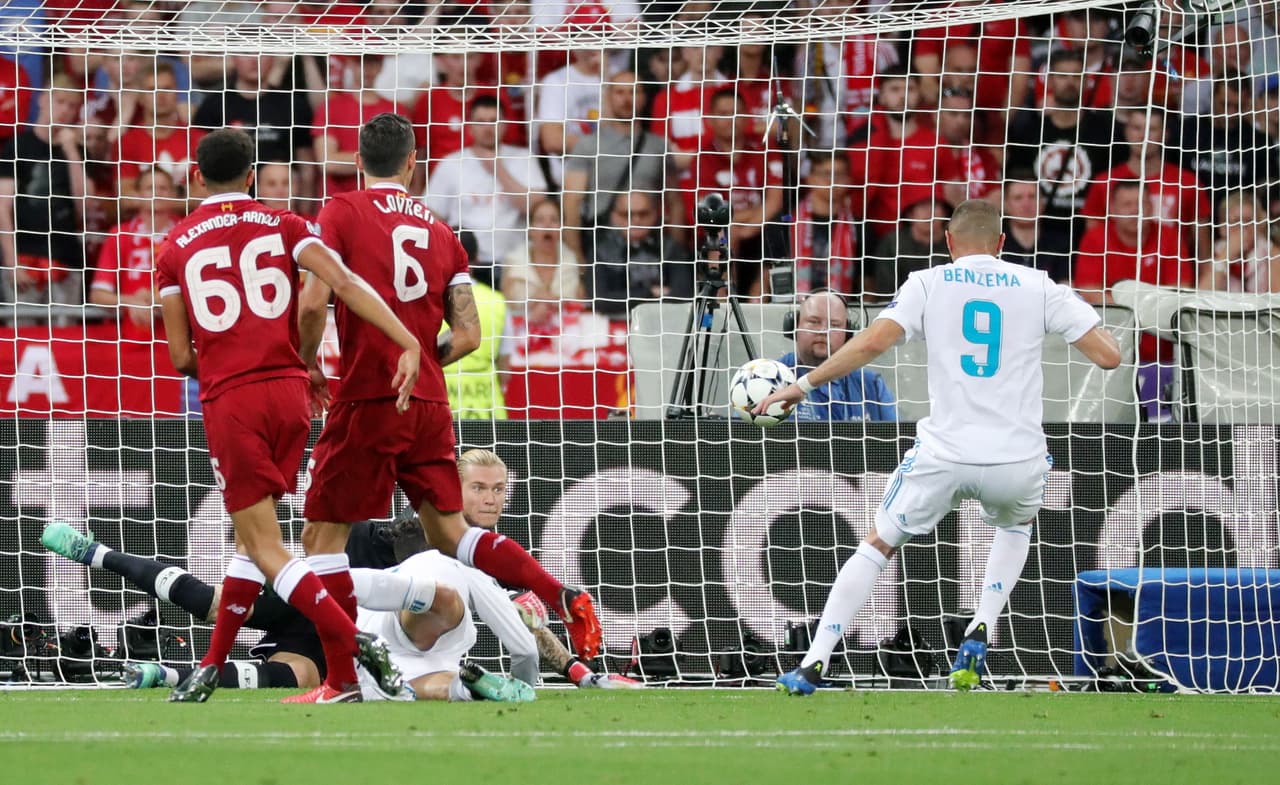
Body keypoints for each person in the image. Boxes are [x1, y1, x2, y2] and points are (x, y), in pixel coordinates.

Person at [760, 199, 1121, 695]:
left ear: (949, 242)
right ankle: (982, 626)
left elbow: (868, 344)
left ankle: (814, 660)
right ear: (1001, 243)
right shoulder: (1039, 285)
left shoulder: (928, 282)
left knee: (878, 545)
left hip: (944, 453)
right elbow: (1109, 356)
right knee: (1016, 524)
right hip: (1016, 457)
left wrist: (803, 385)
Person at [297, 113, 604, 662]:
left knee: (321, 543)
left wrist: (309, 366)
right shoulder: (441, 231)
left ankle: (341, 676)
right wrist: (423, 361)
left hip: (367, 396)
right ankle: (559, 591)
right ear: (414, 163)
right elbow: (467, 334)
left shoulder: (340, 211)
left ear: (358, 161)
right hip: (429, 403)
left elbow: (315, 301)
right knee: (452, 532)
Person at [155, 127, 423, 704]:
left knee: (267, 548)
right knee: (249, 544)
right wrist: (406, 340)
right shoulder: (288, 225)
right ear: (253, 176)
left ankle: (350, 641)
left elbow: (180, 357)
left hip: (235, 397)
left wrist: (231, 371)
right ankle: (211, 666)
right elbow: (343, 283)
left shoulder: (174, 247)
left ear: (195, 176)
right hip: (291, 392)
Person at [38, 450, 638, 696]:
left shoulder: (490, 554)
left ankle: (165, 672)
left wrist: (582, 672)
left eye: (498, 489)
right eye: (477, 487)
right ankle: (97, 554)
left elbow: (526, 622)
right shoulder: (424, 528)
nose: (489, 497)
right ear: (451, 489)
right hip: (329, 590)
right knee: (215, 600)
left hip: (362, 632)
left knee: (286, 675)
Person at [778, 291, 896, 422]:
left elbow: (897, 438)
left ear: (848, 334)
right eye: (814, 321)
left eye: (834, 325)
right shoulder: (773, 379)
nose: (824, 331)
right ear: (794, 326)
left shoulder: (871, 385)